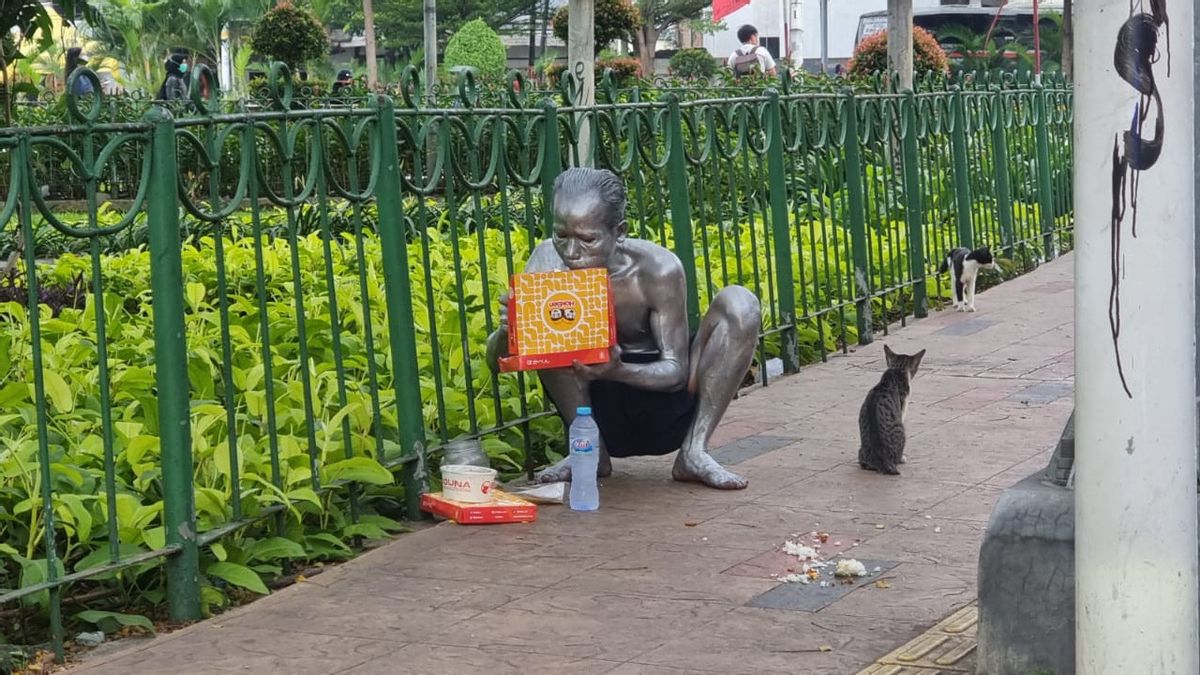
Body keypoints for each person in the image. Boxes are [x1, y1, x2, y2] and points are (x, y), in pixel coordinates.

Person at [486, 168, 762, 490]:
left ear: (619, 231)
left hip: (664, 404)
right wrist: (510, 332)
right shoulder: (548, 260)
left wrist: (617, 370)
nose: (572, 253)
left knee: (740, 303)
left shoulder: (656, 270)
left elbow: (676, 371)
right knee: (553, 337)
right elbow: (496, 364)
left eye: (588, 240)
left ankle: (694, 451)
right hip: (593, 408)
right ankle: (589, 453)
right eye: (562, 236)